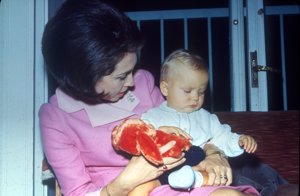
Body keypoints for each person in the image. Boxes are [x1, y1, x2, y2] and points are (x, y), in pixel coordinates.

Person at [39, 0, 260, 196]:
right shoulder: (56, 117)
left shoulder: (143, 82)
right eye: (121, 76)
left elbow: (189, 128)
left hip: (179, 181)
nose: (131, 82)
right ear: (83, 76)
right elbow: (77, 192)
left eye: (132, 70)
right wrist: (125, 183)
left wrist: (214, 152)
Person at [141, 49, 289, 196]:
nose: (195, 97)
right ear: (165, 88)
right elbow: (139, 140)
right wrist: (157, 134)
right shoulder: (153, 116)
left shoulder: (206, 117)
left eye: (201, 92)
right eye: (188, 91)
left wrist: (239, 141)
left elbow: (222, 135)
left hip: (206, 172)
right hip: (168, 173)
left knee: (257, 176)